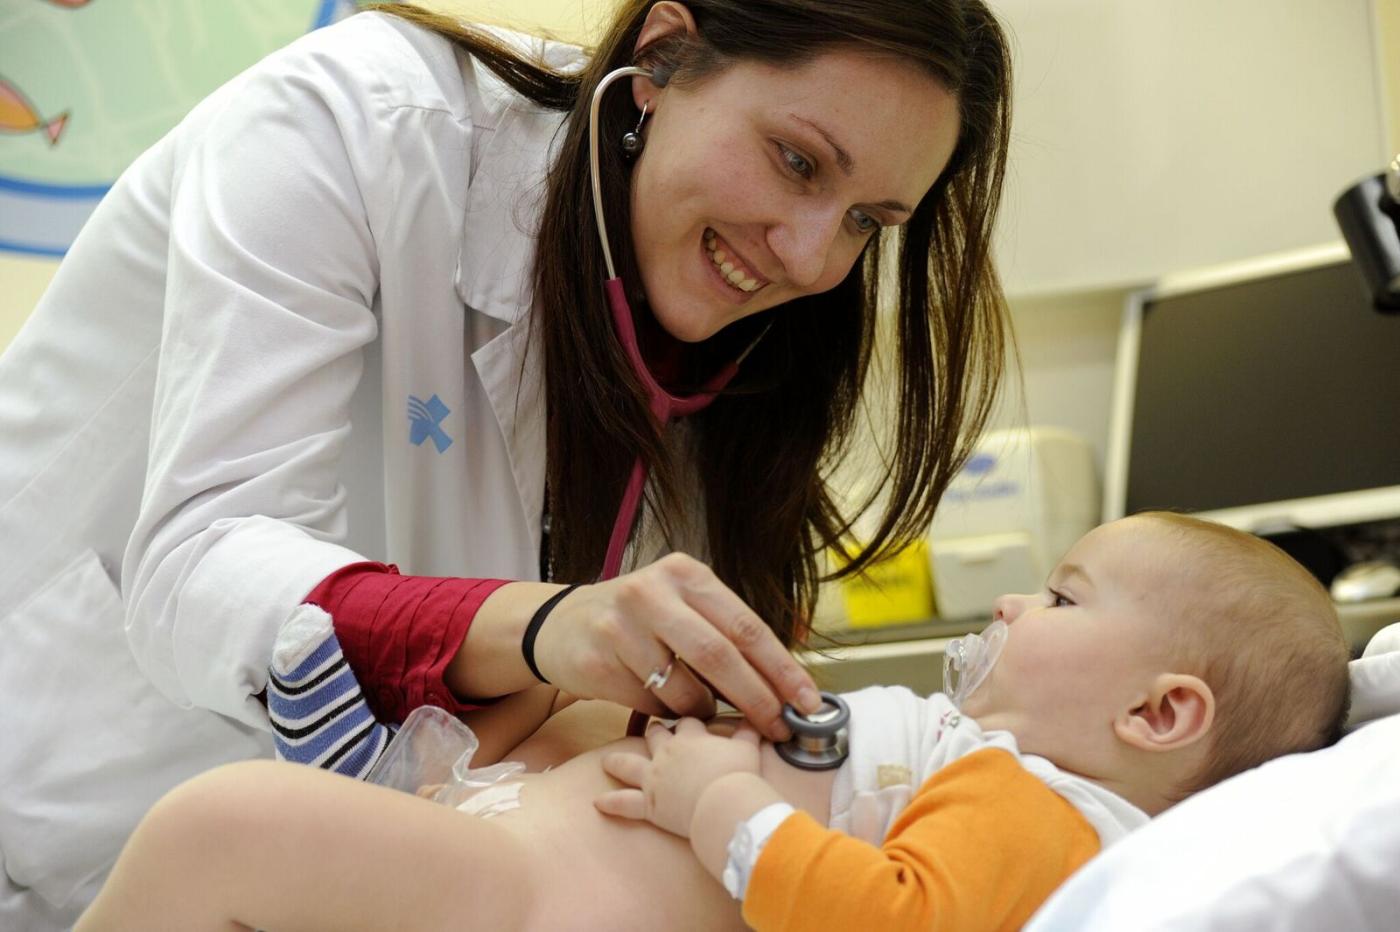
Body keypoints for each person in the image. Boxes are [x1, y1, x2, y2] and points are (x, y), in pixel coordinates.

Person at [0, 0, 1014, 922]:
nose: (807, 257)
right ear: (661, 56)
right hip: (51, 805)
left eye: (865, 223)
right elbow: (199, 567)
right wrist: (543, 626)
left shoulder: (746, 367)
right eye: (797, 162)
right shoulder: (356, 125)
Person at [74, 512, 1353, 931]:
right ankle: (410, 754)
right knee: (563, 698)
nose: (1016, 599)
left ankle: (395, 771)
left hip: (539, 894)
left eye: (1062, 594)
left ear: (1158, 709)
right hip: (525, 832)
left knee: (217, 822)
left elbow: (898, 920)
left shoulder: (1051, 807)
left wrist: (719, 805)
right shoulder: (993, 758)